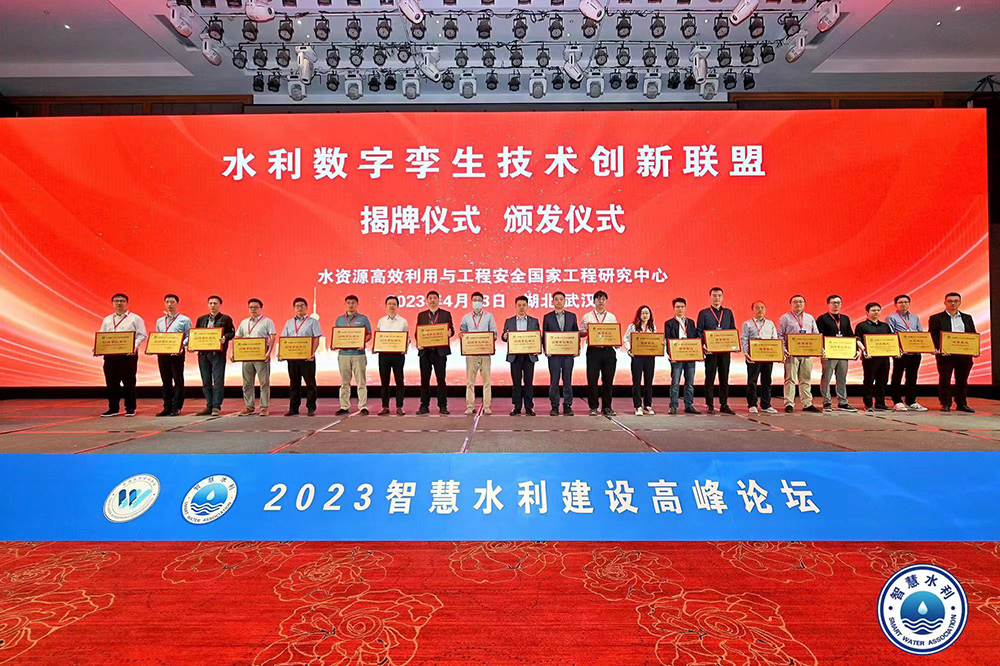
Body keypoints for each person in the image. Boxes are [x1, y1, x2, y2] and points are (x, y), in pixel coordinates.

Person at [96, 293, 147, 417]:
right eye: (116, 301)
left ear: (127, 303)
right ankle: (113, 408)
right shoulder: (107, 319)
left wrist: (133, 346)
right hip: (111, 356)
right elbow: (103, 335)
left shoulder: (135, 318)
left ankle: (130, 408)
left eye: (122, 301)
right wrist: (98, 348)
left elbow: (142, 334)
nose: (119, 303)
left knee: (129, 382)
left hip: (128, 355)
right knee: (111, 382)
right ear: (113, 303)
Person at [928, 292, 978, 413]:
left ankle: (961, 403)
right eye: (950, 301)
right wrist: (941, 348)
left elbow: (972, 334)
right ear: (945, 303)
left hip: (964, 355)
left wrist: (975, 349)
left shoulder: (967, 317)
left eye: (956, 301)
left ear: (960, 302)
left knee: (962, 380)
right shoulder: (936, 318)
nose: (953, 303)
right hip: (946, 355)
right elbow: (933, 335)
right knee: (945, 379)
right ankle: (946, 403)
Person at [777, 295, 822, 413]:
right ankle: (789, 403)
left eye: (801, 302)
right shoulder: (785, 318)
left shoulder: (809, 318)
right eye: (795, 302)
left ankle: (807, 403)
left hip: (807, 353)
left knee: (806, 379)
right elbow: (780, 335)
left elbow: (816, 334)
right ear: (791, 304)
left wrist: (818, 348)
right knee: (790, 379)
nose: (798, 304)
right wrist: (784, 349)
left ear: (804, 304)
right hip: (791, 354)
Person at [696, 287, 736, 414]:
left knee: (724, 378)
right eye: (714, 295)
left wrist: (733, 344)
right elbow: (699, 331)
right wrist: (703, 346)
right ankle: (710, 405)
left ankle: (724, 404)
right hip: (711, 352)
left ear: (722, 297)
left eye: (719, 295)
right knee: (710, 378)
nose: (717, 298)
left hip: (724, 352)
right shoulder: (704, 313)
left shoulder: (728, 312)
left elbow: (732, 330)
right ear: (710, 297)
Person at [815, 295, 858, 413]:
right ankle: (826, 402)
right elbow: (819, 336)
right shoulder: (822, 318)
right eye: (833, 303)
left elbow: (850, 335)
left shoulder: (845, 318)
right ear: (828, 304)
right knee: (826, 378)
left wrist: (854, 350)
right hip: (829, 353)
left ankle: (842, 402)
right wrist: (822, 349)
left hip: (843, 353)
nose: (836, 305)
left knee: (842, 378)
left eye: (838, 303)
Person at [234, 298, 276, 416]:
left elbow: (272, 337)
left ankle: (264, 407)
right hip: (247, 356)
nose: (253, 309)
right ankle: (249, 407)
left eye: (256, 307)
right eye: (251, 307)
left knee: (264, 383)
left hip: (262, 356)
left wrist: (269, 353)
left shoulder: (267, 321)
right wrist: (234, 353)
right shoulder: (244, 322)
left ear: (261, 308)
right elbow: (238, 338)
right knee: (247, 383)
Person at [280, 297, 322, 416]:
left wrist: (312, 353)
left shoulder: (313, 322)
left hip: (307, 358)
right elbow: (284, 339)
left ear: (306, 307)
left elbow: (316, 338)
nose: (300, 308)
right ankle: (293, 408)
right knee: (294, 384)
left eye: (302, 306)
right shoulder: (289, 323)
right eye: (297, 306)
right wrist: (282, 353)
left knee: (310, 384)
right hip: (292, 358)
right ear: (294, 308)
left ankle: (311, 408)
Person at [886, 294, 928, 412]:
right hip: (901, 352)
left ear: (909, 304)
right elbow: (891, 334)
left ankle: (911, 401)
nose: (903, 304)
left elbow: (920, 332)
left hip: (915, 352)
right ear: (895, 305)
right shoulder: (891, 317)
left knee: (912, 377)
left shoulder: (915, 317)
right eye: (900, 302)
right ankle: (897, 401)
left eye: (906, 302)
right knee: (897, 376)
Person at [194, 295, 235, 416]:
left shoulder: (226, 318)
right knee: (206, 381)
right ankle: (209, 405)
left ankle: (216, 406)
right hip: (203, 354)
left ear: (220, 305)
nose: (212, 305)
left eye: (215, 303)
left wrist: (225, 337)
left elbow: (231, 333)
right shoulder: (201, 319)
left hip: (218, 354)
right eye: (210, 303)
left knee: (218, 380)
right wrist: (193, 345)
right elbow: (196, 334)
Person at [416, 290, 455, 415]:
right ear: (427, 300)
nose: (432, 300)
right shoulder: (421, 315)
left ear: (438, 300)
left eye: (435, 298)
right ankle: (424, 406)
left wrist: (450, 333)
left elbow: (451, 330)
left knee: (441, 380)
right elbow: (418, 332)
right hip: (425, 352)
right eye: (430, 298)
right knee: (424, 380)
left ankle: (443, 406)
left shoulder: (446, 314)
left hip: (440, 352)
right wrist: (418, 343)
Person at [580, 290, 618, 417]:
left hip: (608, 351)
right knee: (592, 380)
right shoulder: (587, 316)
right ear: (594, 301)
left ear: (606, 301)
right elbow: (580, 333)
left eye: (603, 299)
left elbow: (615, 334)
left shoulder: (611, 317)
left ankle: (607, 407)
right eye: (598, 299)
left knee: (608, 380)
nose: (601, 301)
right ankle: (593, 407)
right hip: (593, 351)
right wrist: (588, 331)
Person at [460, 291, 497, 416]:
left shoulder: (489, 316)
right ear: (471, 302)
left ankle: (487, 406)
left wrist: (488, 339)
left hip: (485, 353)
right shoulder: (466, 317)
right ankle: (470, 406)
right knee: (470, 382)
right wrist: (462, 336)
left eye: (479, 300)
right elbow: (462, 333)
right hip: (471, 354)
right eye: (475, 300)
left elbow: (494, 333)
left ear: (482, 302)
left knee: (487, 381)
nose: (477, 302)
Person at [154, 294, 191, 417]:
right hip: (163, 354)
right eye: (167, 302)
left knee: (178, 379)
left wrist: (181, 346)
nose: (169, 304)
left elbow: (189, 336)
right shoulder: (160, 321)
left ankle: (177, 407)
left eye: (172, 302)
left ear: (177, 303)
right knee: (165, 380)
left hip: (177, 354)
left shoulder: (184, 320)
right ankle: (167, 407)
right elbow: (157, 337)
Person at [335, 295, 373, 416]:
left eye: (353, 303)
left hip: (358, 354)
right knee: (344, 383)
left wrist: (363, 342)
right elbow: (337, 335)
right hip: (343, 355)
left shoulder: (363, 318)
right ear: (345, 304)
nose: (351, 305)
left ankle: (363, 406)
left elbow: (369, 334)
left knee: (361, 382)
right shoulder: (339, 319)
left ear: (357, 304)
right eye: (348, 303)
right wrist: (335, 344)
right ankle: (344, 406)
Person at [502, 296, 540, 416]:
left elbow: (538, 337)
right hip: (515, 356)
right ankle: (517, 407)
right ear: (515, 306)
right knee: (516, 383)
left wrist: (537, 348)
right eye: (519, 305)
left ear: (527, 306)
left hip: (529, 356)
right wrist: (505, 336)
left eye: (524, 305)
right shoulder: (509, 321)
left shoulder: (534, 321)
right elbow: (504, 336)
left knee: (529, 382)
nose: (521, 307)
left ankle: (529, 407)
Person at [542, 291, 579, 416]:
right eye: (556, 299)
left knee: (567, 380)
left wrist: (576, 349)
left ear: (564, 301)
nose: (559, 301)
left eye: (561, 299)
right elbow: (545, 335)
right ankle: (554, 406)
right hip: (554, 355)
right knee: (554, 380)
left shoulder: (572, 316)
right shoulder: (548, 317)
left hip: (568, 355)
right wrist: (546, 350)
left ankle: (567, 405)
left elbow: (575, 333)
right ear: (552, 302)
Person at [741, 300, 779, 414]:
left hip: (767, 356)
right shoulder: (747, 324)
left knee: (767, 381)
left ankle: (766, 405)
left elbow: (774, 339)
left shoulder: (770, 324)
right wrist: (746, 353)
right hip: (753, 357)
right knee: (752, 381)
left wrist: (776, 354)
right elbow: (744, 339)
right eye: (757, 308)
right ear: (753, 310)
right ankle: (752, 404)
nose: (760, 310)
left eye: (762, 307)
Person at [855, 302, 893, 412]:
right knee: (869, 381)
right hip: (869, 358)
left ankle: (880, 403)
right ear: (867, 312)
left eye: (878, 310)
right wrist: (864, 350)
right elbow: (857, 339)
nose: (876, 312)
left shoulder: (885, 326)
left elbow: (891, 340)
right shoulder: (861, 326)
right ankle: (868, 404)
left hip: (884, 358)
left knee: (882, 381)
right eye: (873, 310)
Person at [664, 298, 699, 415]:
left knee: (690, 383)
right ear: (674, 308)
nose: (680, 309)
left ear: (685, 307)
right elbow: (668, 340)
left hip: (689, 356)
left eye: (682, 307)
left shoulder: (691, 322)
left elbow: (695, 339)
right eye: (677, 307)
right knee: (675, 382)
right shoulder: (669, 323)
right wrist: (670, 355)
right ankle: (673, 406)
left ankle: (689, 405)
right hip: (677, 356)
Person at [376, 296, 408, 416]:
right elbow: (378, 337)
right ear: (386, 306)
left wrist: (405, 346)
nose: (391, 306)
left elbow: (407, 338)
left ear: (397, 306)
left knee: (399, 381)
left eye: (394, 304)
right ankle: (385, 407)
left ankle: (399, 407)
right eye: (389, 304)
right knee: (384, 382)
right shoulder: (381, 321)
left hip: (398, 355)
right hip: (384, 355)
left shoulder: (403, 321)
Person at [624, 305, 656, 416]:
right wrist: (629, 350)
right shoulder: (633, 327)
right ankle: (637, 406)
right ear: (639, 315)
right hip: (637, 357)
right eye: (643, 313)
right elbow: (625, 339)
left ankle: (647, 405)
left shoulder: (652, 327)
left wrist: (661, 344)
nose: (645, 315)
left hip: (650, 357)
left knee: (649, 382)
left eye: (647, 313)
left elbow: (656, 341)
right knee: (636, 382)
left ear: (650, 315)